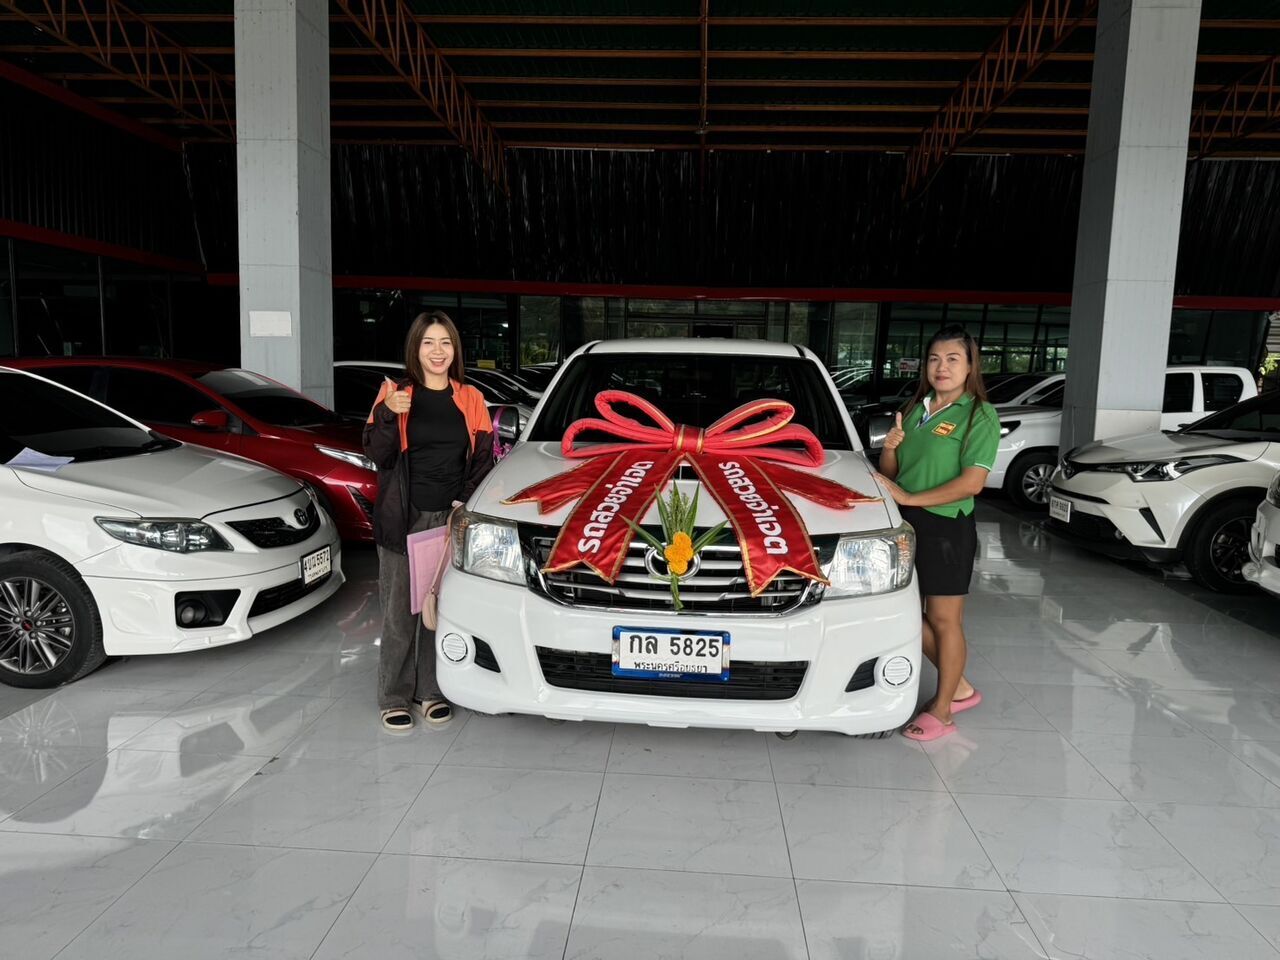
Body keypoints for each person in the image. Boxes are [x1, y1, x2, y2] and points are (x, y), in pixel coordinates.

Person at [363, 311, 495, 732]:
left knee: (437, 607)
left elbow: (484, 458)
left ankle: (431, 691)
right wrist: (387, 413)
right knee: (400, 613)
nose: (438, 351)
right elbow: (378, 454)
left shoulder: (470, 398)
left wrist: (462, 503)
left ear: (455, 349)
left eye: (445, 343)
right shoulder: (394, 394)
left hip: (449, 518)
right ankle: (394, 696)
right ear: (415, 348)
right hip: (404, 518)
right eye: (428, 343)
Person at [873, 325, 1000, 742]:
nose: (941, 367)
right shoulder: (917, 408)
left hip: (946, 525)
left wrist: (910, 498)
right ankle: (958, 686)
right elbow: (893, 474)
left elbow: (972, 483)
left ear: (970, 366)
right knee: (907, 613)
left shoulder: (978, 413)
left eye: (952, 359)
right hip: (906, 524)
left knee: (945, 620)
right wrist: (890, 447)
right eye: (934, 359)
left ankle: (943, 710)